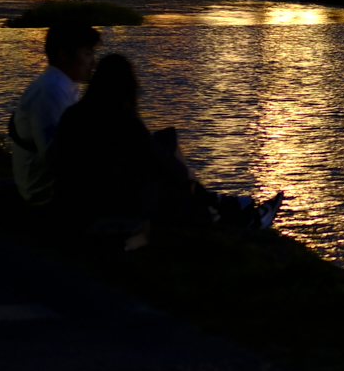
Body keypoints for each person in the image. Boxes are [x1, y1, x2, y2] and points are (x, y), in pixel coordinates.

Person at [47, 53, 282, 235]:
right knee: (167, 181)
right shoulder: (121, 119)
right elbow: (154, 156)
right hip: (106, 204)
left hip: (79, 198)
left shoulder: (73, 114)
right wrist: (188, 178)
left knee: (167, 140)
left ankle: (218, 204)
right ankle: (228, 212)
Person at [9, 21, 100, 205]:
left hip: (51, 185)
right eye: (88, 53)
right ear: (64, 55)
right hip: (45, 192)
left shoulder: (60, 86)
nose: (93, 61)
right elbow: (55, 156)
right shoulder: (50, 90)